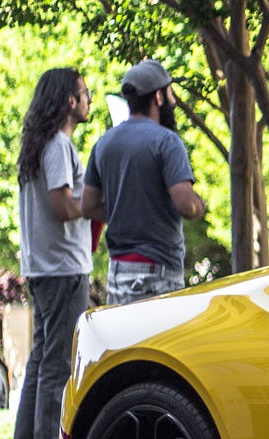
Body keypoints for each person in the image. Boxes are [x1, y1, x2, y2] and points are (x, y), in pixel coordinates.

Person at [13, 67, 94, 439]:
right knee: (57, 366)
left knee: (40, 362)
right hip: (64, 269)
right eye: (84, 92)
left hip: (43, 268)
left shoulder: (38, 144)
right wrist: (96, 200)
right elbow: (64, 207)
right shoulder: (59, 145)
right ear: (68, 101)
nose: (89, 99)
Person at [82, 59, 205, 305]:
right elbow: (186, 205)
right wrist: (199, 204)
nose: (173, 99)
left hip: (118, 271)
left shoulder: (104, 143)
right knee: (160, 343)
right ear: (158, 97)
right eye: (170, 92)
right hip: (159, 271)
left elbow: (88, 206)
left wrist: (125, 210)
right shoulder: (167, 142)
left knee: (127, 344)